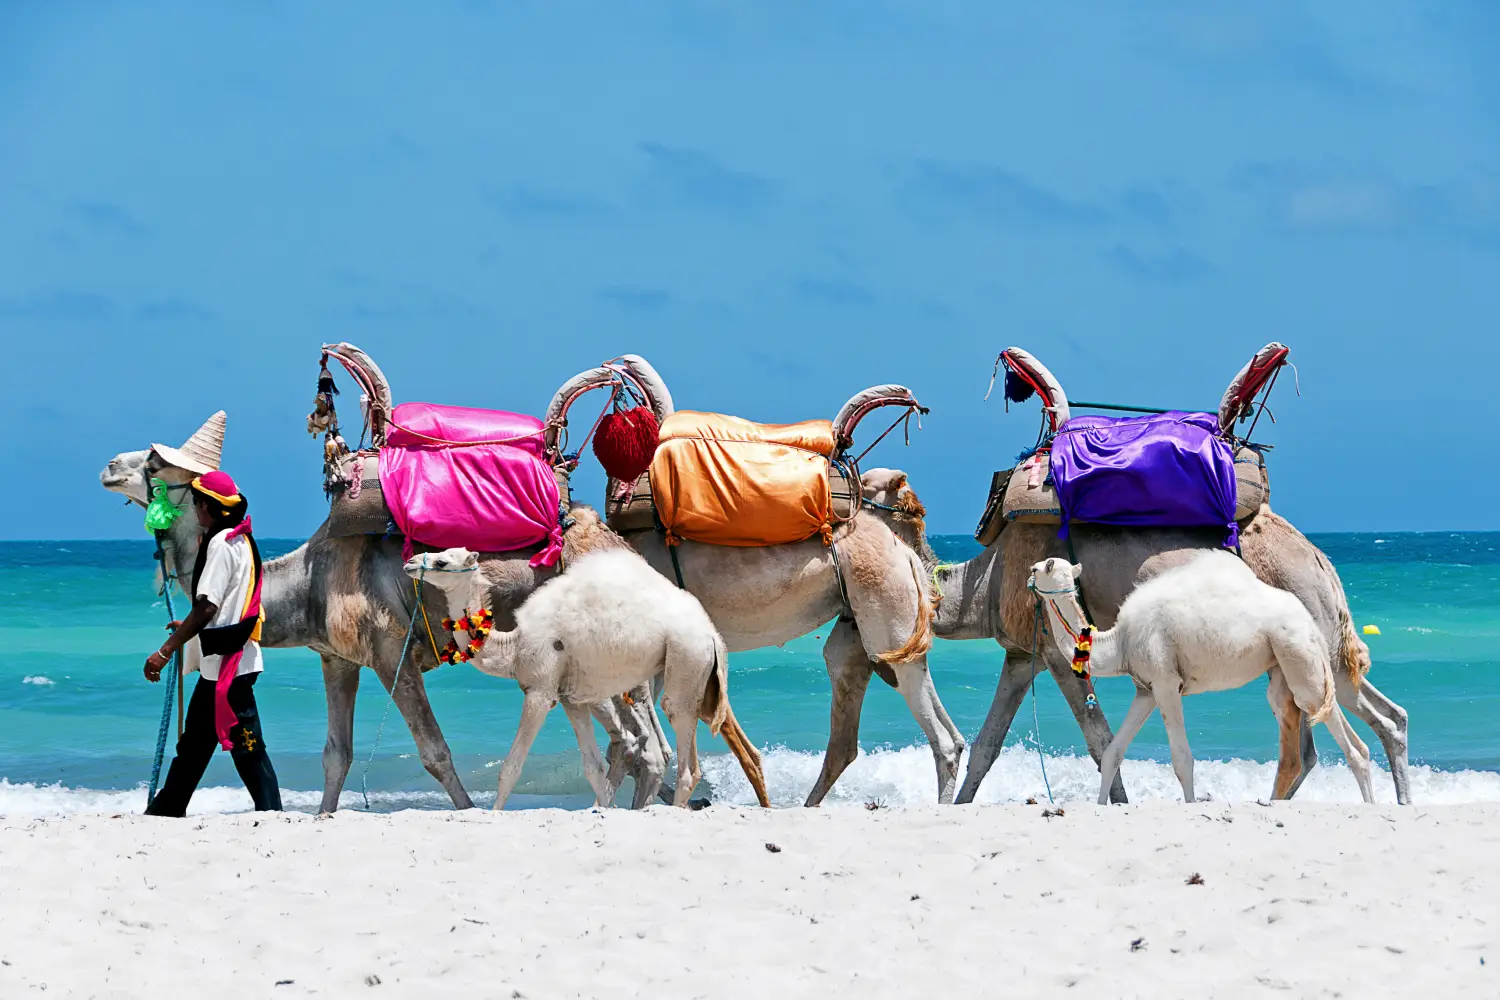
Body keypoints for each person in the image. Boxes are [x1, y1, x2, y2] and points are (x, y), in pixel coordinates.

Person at [143, 470, 282, 816]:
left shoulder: (221, 544)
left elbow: (208, 606)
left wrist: (166, 650)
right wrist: (186, 626)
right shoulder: (242, 540)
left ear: (209, 507)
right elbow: (225, 603)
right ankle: (166, 810)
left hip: (230, 667)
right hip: (222, 664)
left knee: (248, 748)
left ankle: (273, 813)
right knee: (194, 745)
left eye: (195, 503)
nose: (193, 509)